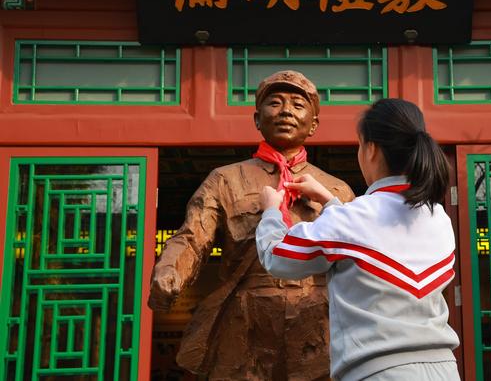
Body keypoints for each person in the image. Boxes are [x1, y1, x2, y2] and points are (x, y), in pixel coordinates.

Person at [148, 70, 355, 380]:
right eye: (275, 102)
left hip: (316, 320)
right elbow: (193, 237)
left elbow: (357, 256)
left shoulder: (336, 190)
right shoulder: (225, 179)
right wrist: (169, 270)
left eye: (298, 105)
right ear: (257, 119)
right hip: (245, 319)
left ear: (313, 124)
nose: (286, 111)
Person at [257, 98, 461, 381]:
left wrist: (270, 211)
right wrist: (331, 202)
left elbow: (277, 256)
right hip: (444, 369)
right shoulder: (439, 217)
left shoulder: (351, 219)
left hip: (379, 373)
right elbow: (373, 236)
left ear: (372, 150)